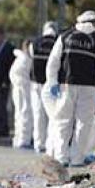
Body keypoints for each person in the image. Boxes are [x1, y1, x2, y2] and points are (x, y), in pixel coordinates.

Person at [44, 10, 95, 166]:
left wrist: (52, 82)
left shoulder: (65, 36)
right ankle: (77, 159)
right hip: (88, 88)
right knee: (83, 124)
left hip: (66, 85)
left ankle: (61, 157)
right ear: (94, 23)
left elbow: (53, 61)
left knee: (63, 122)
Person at [30, 21, 58, 153]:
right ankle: (50, 143)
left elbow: (31, 58)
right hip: (52, 84)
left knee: (38, 114)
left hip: (36, 82)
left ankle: (38, 143)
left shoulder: (35, 43)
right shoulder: (58, 42)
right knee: (52, 115)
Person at [9, 40, 33, 148]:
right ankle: (24, 140)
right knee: (25, 112)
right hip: (24, 88)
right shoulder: (25, 59)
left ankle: (19, 138)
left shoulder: (20, 58)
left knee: (19, 113)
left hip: (18, 88)